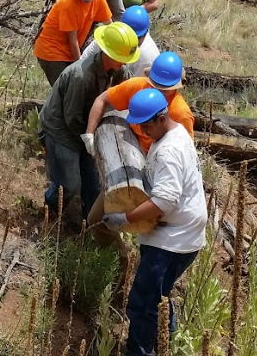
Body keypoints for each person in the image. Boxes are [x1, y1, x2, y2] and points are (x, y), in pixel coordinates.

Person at [103, 88, 207, 355]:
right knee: (158, 295)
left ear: (162, 117)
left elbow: (163, 202)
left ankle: (141, 351)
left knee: (142, 302)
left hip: (173, 239)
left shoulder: (169, 151)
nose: (143, 130)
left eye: (146, 124)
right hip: (181, 231)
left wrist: (124, 219)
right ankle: (166, 343)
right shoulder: (177, 133)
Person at [85, 51, 194, 263]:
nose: (158, 92)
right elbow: (103, 99)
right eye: (155, 86)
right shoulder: (138, 87)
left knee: (152, 233)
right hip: (129, 165)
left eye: (164, 89)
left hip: (160, 176)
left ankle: (141, 270)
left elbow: (185, 161)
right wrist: (89, 134)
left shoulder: (180, 115)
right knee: (96, 220)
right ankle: (122, 261)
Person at [39, 22, 140, 219]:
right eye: (121, 58)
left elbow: (129, 91)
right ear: (107, 53)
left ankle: (90, 225)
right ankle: (49, 210)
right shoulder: (81, 76)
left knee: (94, 185)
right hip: (61, 129)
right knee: (69, 185)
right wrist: (90, 138)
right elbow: (71, 117)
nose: (124, 63)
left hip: (86, 127)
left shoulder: (117, 70)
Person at [34, 0, 112, 86]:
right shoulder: (68, 4)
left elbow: (109, 25)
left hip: (69, 51)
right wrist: (80, 66)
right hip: (51, 51)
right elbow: (73, 40)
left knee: (74, 88)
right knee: (63, 90)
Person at [81, 5, 159, 76]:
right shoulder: (112, 35)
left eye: (136, 38)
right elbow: (84, 59)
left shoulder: (147, 57)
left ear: (146, 33)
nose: (130, 40)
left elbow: (137, 87)